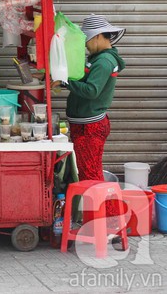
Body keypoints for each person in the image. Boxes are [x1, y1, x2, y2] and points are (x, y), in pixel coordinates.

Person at [52, 14, 126, 218]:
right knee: (90, 175)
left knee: (92, 178)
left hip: (90, 128)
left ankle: (108, 223)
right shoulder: (98, 59)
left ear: (99, 37)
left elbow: (92, 90)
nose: (86, 45)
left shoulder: (104, 62)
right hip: (85, 125)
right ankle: (104, 222)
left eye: (87, 40)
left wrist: (65, 82)